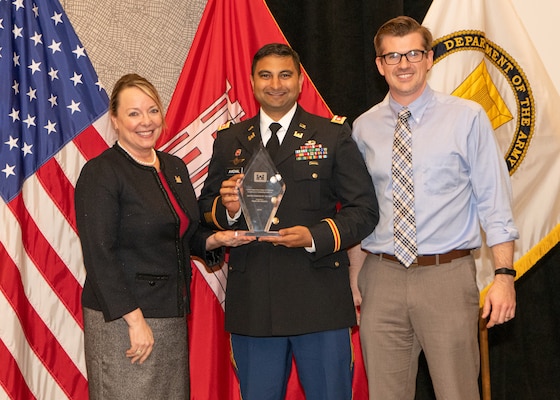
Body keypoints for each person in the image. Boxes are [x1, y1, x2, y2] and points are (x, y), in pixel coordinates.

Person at [349, 16, 519, 399]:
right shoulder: (363, 128)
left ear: (428, 58)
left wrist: (504, 276)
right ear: (379, 65)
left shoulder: (468, 118)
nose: (403, 64)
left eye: (412, 53)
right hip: (381, 278)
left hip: (447, 275)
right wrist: (355, 281)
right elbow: (360, 212)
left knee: (457, 392)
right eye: (392, 56)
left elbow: (495, 203)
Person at [198, 43, 379, 400]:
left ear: (300, 83)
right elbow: (206, 209)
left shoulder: (331, 135)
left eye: (285, 75)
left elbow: (364, 210)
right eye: (265, 75)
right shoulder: (230, 139)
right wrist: (231, 209)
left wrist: (313, 236)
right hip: (254, 303)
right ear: (252, 82)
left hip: (319, 300)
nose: (275, 84)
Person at [74, 73, 253, 400]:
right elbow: (100, 254)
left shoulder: (173, 167)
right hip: (124, 320)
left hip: (170, 315)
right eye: (134, 113)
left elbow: (184, 234)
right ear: (115, 120)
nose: (146, 121)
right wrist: (134, 320)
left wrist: (219, 239)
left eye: (152, 110)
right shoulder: (101, 172)